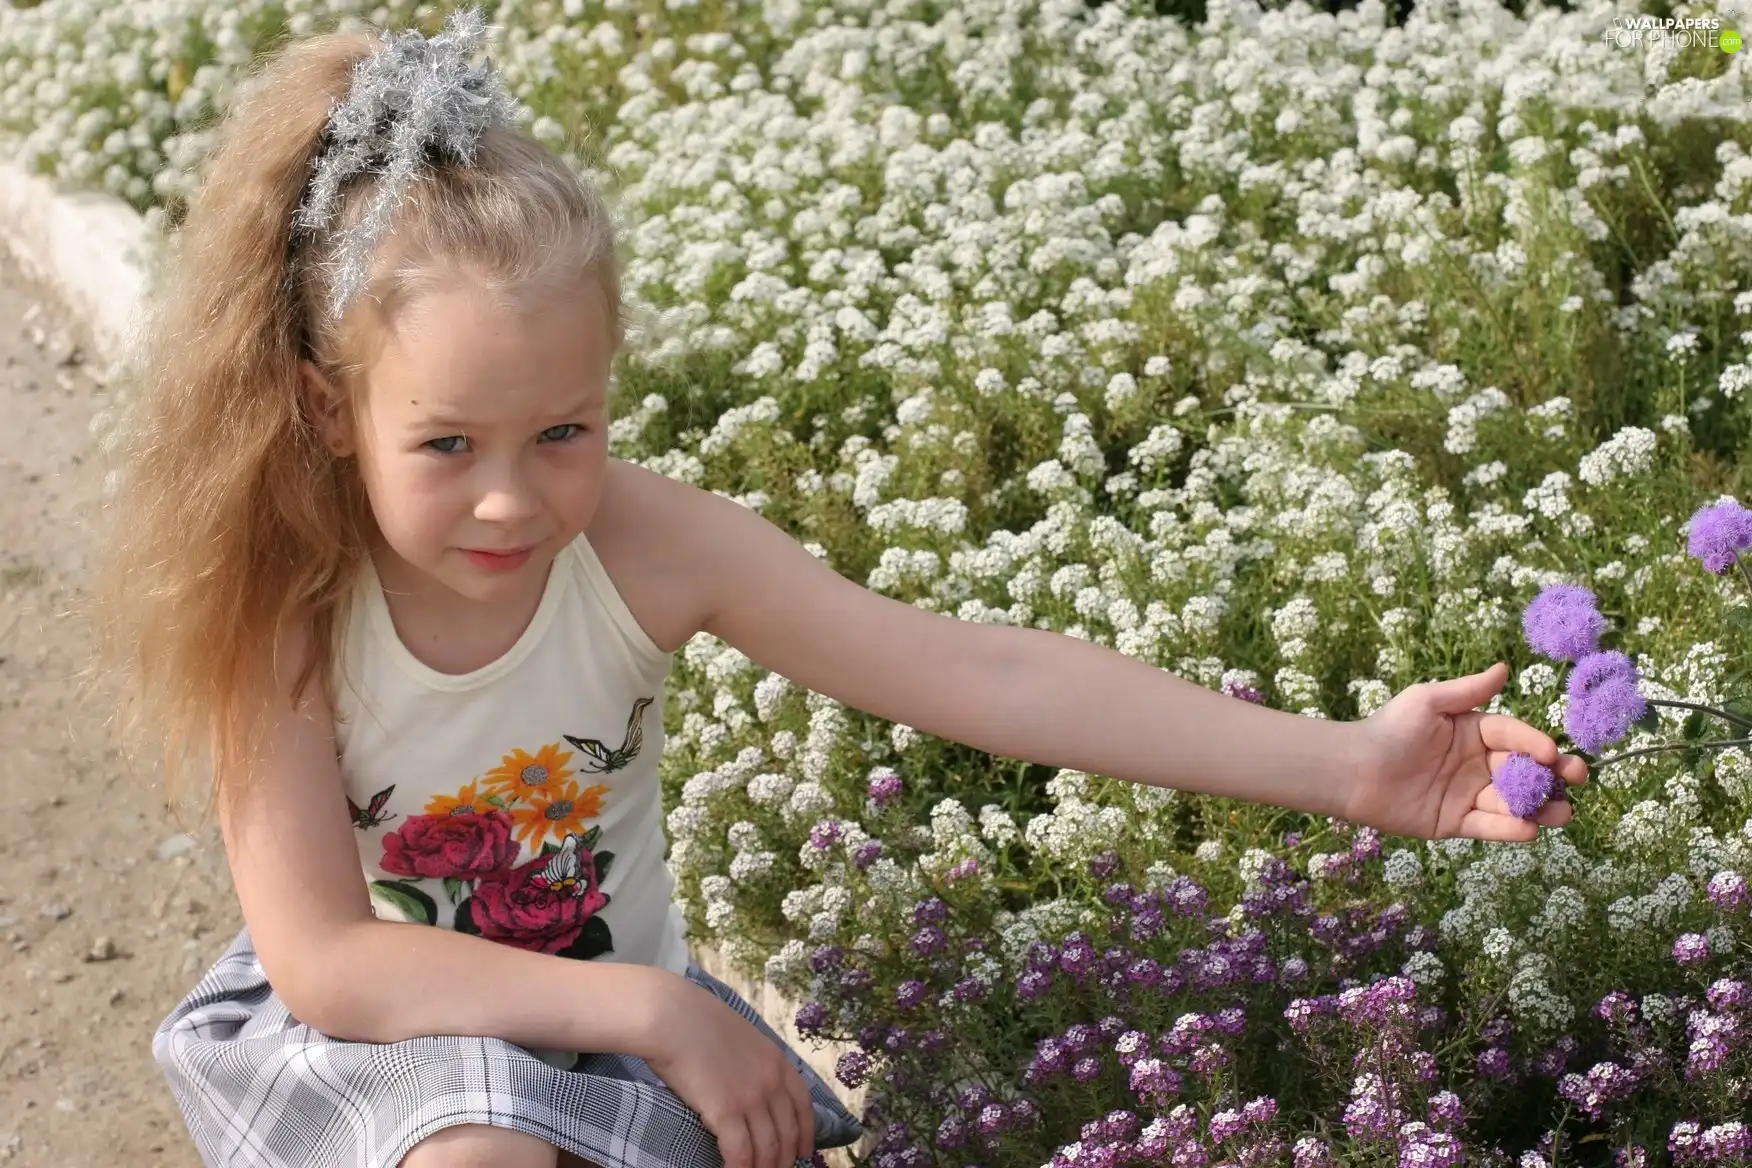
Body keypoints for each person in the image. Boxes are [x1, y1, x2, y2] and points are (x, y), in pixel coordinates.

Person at [78, 8, 1587, 1168]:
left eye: (564, 434)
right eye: (446, 442)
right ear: (331, 410)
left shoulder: (647, 551)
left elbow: (985, 676)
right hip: (387, 1041)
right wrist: (663, 1011)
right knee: (483, 1147)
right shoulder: (283, 605)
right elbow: (335, 965)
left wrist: (1348, 765)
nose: (511, 497)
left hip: (600, 1045)